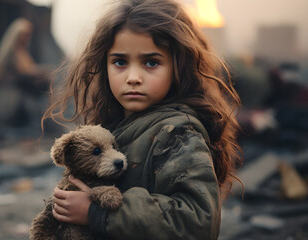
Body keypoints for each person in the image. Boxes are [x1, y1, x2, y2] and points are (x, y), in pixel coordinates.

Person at [41, 0, 243, 239]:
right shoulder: (112, 127)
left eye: (151, 62)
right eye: (120, 62)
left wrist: (96, 213)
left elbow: (198, 222)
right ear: (104, 66)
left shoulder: (178, 133)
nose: (133, 77)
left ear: (177, 67)